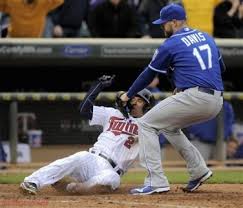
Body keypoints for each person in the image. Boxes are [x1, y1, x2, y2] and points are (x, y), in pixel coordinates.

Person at [119, 3, 225, 195]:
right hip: (217, 100)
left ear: (175, 22)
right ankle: (198, 169)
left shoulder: (172, 43)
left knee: (146, 125)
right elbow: (220, 68)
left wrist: (128, 94)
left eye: (164, 24)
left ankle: (156, 181)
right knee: (168, 127)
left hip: (196, 96)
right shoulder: (206, 37)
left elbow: (148, 75)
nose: (162, 27)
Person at [20, 75, 155, 195]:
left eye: (140, 101)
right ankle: (32, 182)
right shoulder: (112, 113)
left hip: (112, 169)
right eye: (134, 99)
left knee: (112, 179)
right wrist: (98, 86)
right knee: (74, 158)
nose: (135, 102)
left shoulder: (147, 125)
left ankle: (73, 188)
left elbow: (161, 132)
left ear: (147, 107)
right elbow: (84, 110)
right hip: (91, 158)